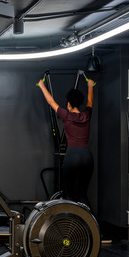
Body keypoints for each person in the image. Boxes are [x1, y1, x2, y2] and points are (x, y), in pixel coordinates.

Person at [37, 76, 95, 205]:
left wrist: (42, 85)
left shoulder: (66, 115)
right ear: (80, 103)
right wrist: (90, 86)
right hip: (87, 156)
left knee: (69, 195)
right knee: (82, 195)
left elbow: (51, 101)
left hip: (72, 156)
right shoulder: (87, 114)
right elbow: (90, 100)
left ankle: (70, 218)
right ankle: (90, 219)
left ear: (69, 103)